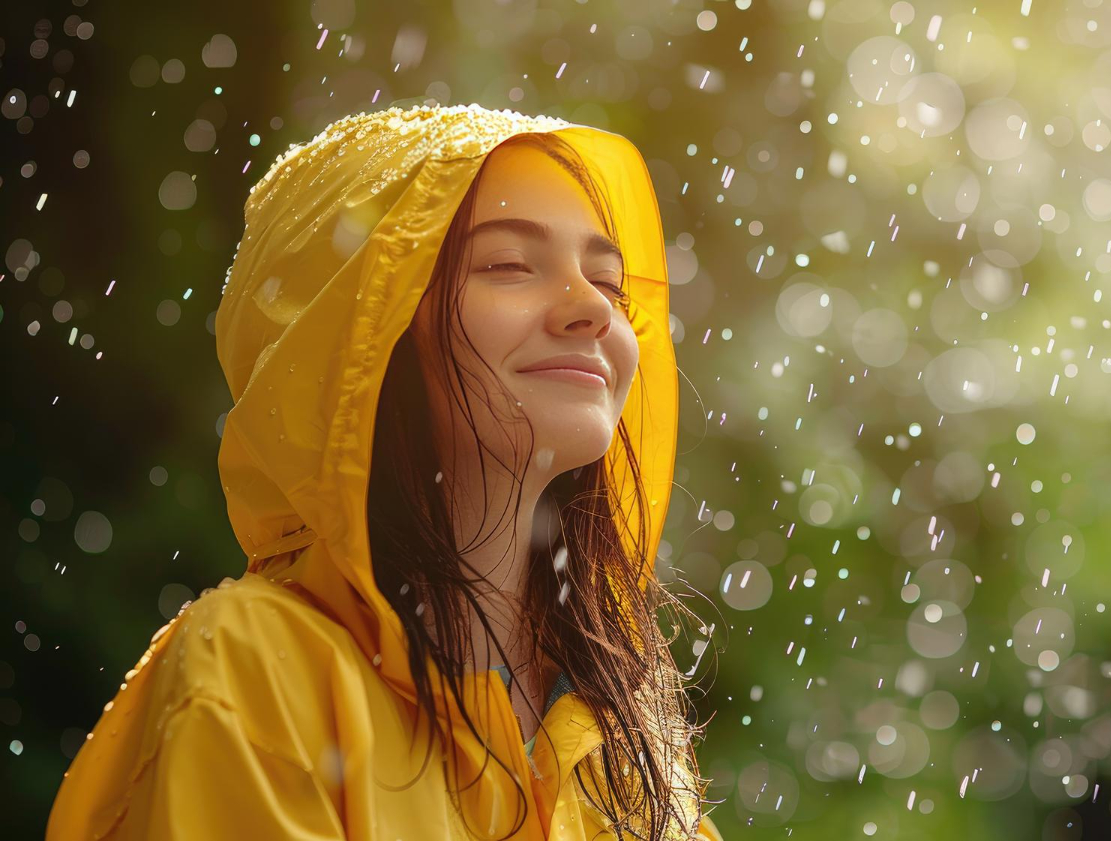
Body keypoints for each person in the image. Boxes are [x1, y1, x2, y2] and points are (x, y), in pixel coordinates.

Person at [45, 103, 722, 841]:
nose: (592, 308)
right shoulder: (254, 668)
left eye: (609, 283)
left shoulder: (626, 743)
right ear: (360, 333)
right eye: (507, 265)